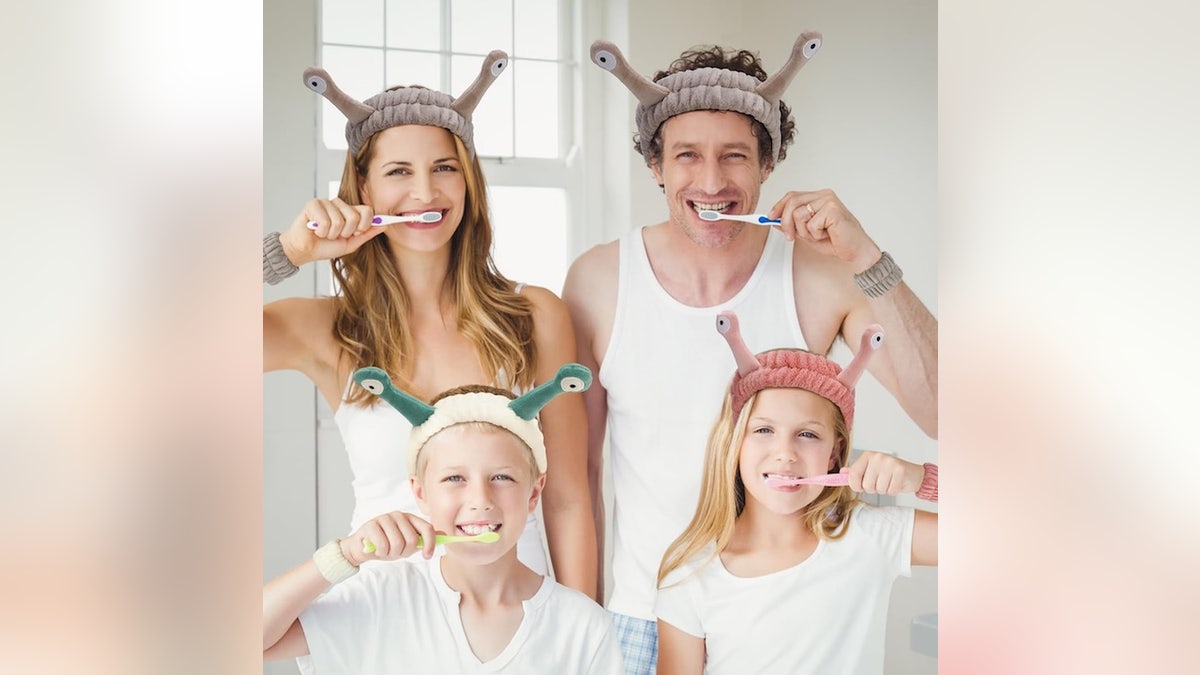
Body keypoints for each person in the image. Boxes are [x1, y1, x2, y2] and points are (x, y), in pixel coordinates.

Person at [563, 32, 938, 669]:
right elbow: (580, 476)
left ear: (768, 164)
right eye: (687, 156)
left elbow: (946, 413)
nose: (712, 181)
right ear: (656, 166)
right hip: (635, 614)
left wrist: (866, 256)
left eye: (735, 156)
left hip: (785, 608)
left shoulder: (822, 276)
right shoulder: (598, 280)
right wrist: (577, 627)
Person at [263, 51, 597, 596]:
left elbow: (565, 497)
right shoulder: (323, 328)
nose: (425, 193)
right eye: (399, 171)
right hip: (380, 620)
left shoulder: (534, 314)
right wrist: (289, 250)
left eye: (444, 168)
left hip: (520, 622)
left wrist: (584, 634)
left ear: (468, 183)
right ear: (363, 191)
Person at [263, 363, 624, 673]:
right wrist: (345, 555)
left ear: (533, 492)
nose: (480, 500)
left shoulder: (582, 627)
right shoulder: (382, 598)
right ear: (420, 493)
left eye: (502, 477)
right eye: (455, 479)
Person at [654, 312, 938, 674]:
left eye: (807, 434)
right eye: (763, 430)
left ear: (834, 454)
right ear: (735, 444)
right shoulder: (691, 574)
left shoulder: (872, 535)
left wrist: (920, 479)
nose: (785, 452)